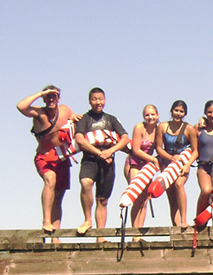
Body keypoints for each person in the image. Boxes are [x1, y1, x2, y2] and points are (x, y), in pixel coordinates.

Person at [16, 85, 79, 235]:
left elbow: (75, 119)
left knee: (58, 196)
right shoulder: (39, 113)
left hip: (62, 158)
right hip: (44, 157)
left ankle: (55, 235)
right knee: (50, 179)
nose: (51, 99)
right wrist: (40, 93)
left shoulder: (65, 110)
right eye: (48, 97)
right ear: (44, 98)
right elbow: (21, 106)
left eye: (54, 96)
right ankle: (46, 221)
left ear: (59, 99)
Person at [73, 87, 130, 238]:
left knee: (103, 200)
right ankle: (87, 220)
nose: (98, 102)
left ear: (105, 100)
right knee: (86, 183)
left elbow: (124, 138)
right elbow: (79, 139)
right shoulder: (84, 119)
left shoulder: (111, 119)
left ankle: (100, 236)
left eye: (100, 99)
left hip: (108, 162)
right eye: (94, 99)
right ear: (89, 101)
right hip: (90, 160)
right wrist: (99, 153)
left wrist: (110, 151)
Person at [154, 100, 199, 228]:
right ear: (171, 111)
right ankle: (175, 225)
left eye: (181, 111)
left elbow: (195, 151)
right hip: (167, 163)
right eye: (176, 111)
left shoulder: (189, 129)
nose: (178, 114)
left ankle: (184, 220)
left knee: (179, 184)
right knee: (172, 197)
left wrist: (187, 165)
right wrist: (170, 158)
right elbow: (159, 148)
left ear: (185, 113)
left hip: (183, 163)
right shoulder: (162, 127)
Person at [126, 105, 160, 234]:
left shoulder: (159, 130)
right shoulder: (139, 128)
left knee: (145, 199)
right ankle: (134, 232)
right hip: (134, 163)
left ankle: (139, 231)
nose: (150, 117)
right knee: (138, 196)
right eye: (147, 115)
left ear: (157, 115)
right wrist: (153, 159)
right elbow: (136, 150)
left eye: (152, 115)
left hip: (147, 165)